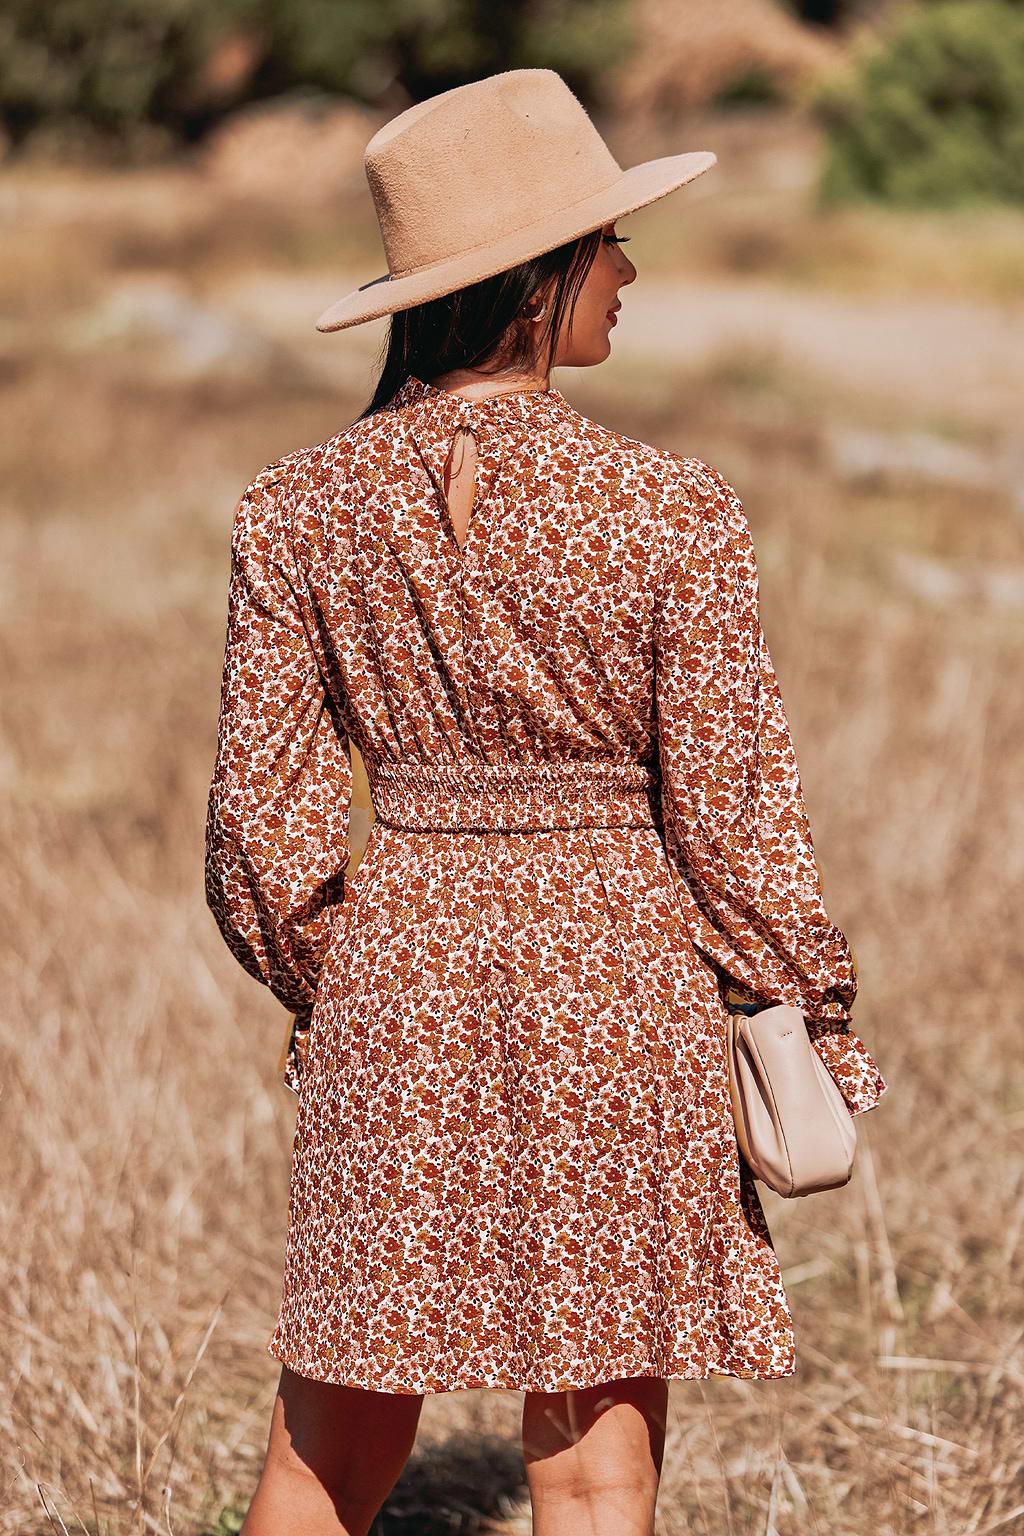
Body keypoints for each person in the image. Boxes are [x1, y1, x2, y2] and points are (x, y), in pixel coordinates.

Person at [205, 68, 886, 1536]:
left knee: (331, 1439)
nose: (630, 271)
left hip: (399, 973)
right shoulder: (669, 507)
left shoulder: (295, 507)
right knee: (591, 1457)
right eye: (608, 242)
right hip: (615, 983)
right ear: (535, 281)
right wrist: (806, 1012)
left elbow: (260, 833)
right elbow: (735, 810)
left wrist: (352, 977)